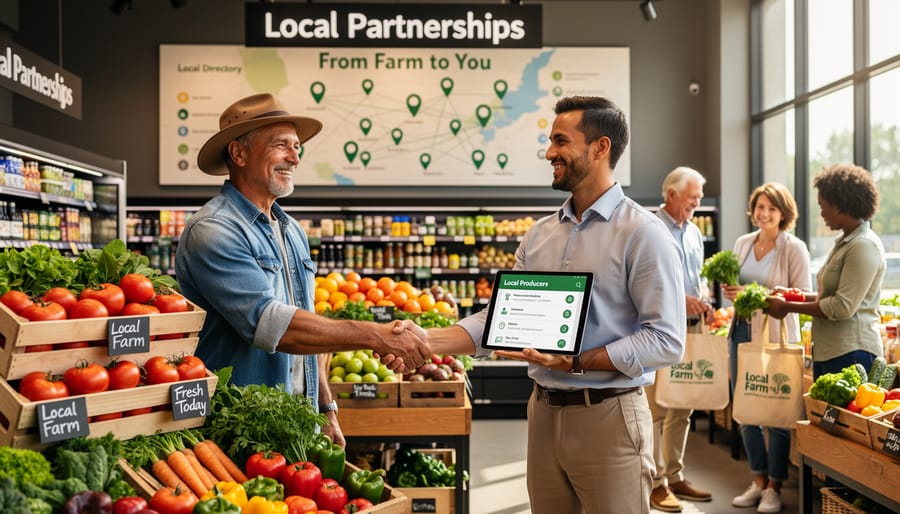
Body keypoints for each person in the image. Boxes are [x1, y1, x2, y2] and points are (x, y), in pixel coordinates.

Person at [388, 96, 686, 514]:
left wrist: (578, 362)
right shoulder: (540, 235)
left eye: (561, 141)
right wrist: (426, 341)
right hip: (544, 413)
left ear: (601, 148)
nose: (549, 153)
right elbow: (499, 320)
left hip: (610, 416)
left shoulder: (644, 234)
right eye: (550, 142)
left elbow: (667, 340)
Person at [175, 93, 431, 447]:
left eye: (296, 147)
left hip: (297, 422)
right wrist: (375, 334)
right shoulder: (214, 230)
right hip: (238, 429)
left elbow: (308, 325)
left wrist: (325, 408)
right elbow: (271, 324)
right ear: (238, 153)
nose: (294, 157)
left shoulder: (291, 230)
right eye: (281, 145)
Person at [722, 182, 810, 513]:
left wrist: (751, 292)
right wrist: (732, 291)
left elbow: (801, 294)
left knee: (775, 411)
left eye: (772, 208)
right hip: (741, 330)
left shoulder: (794, 248)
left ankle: (774, 485)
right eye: (760, 207)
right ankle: (758, 481)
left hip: (774, 335)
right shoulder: (743, 243)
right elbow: (733, 285)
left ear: (783, 213)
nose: (764, 213)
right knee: (745, 410)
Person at [766, 164, 885, 379]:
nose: (820, 213)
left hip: (853, 355)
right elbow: (829, 295)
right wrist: (793, 295)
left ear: (839, 205)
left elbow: (842, 307)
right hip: (831, 352)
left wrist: (787, 306)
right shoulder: (845, 243)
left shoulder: (863, 246)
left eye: (823, 206)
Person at [645, 166, 715, 513]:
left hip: (690, 327)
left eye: (699, 198)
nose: (697, 204)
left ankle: (675, 475)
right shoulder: (649, 228)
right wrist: (678, 299)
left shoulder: (693, 233)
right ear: (671, 194)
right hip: (659, 328)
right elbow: (644, 286)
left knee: (682, 406)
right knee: (657, 408)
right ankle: (656, 483)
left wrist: (705, 302)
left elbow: (695, 278)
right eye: (692, 198)